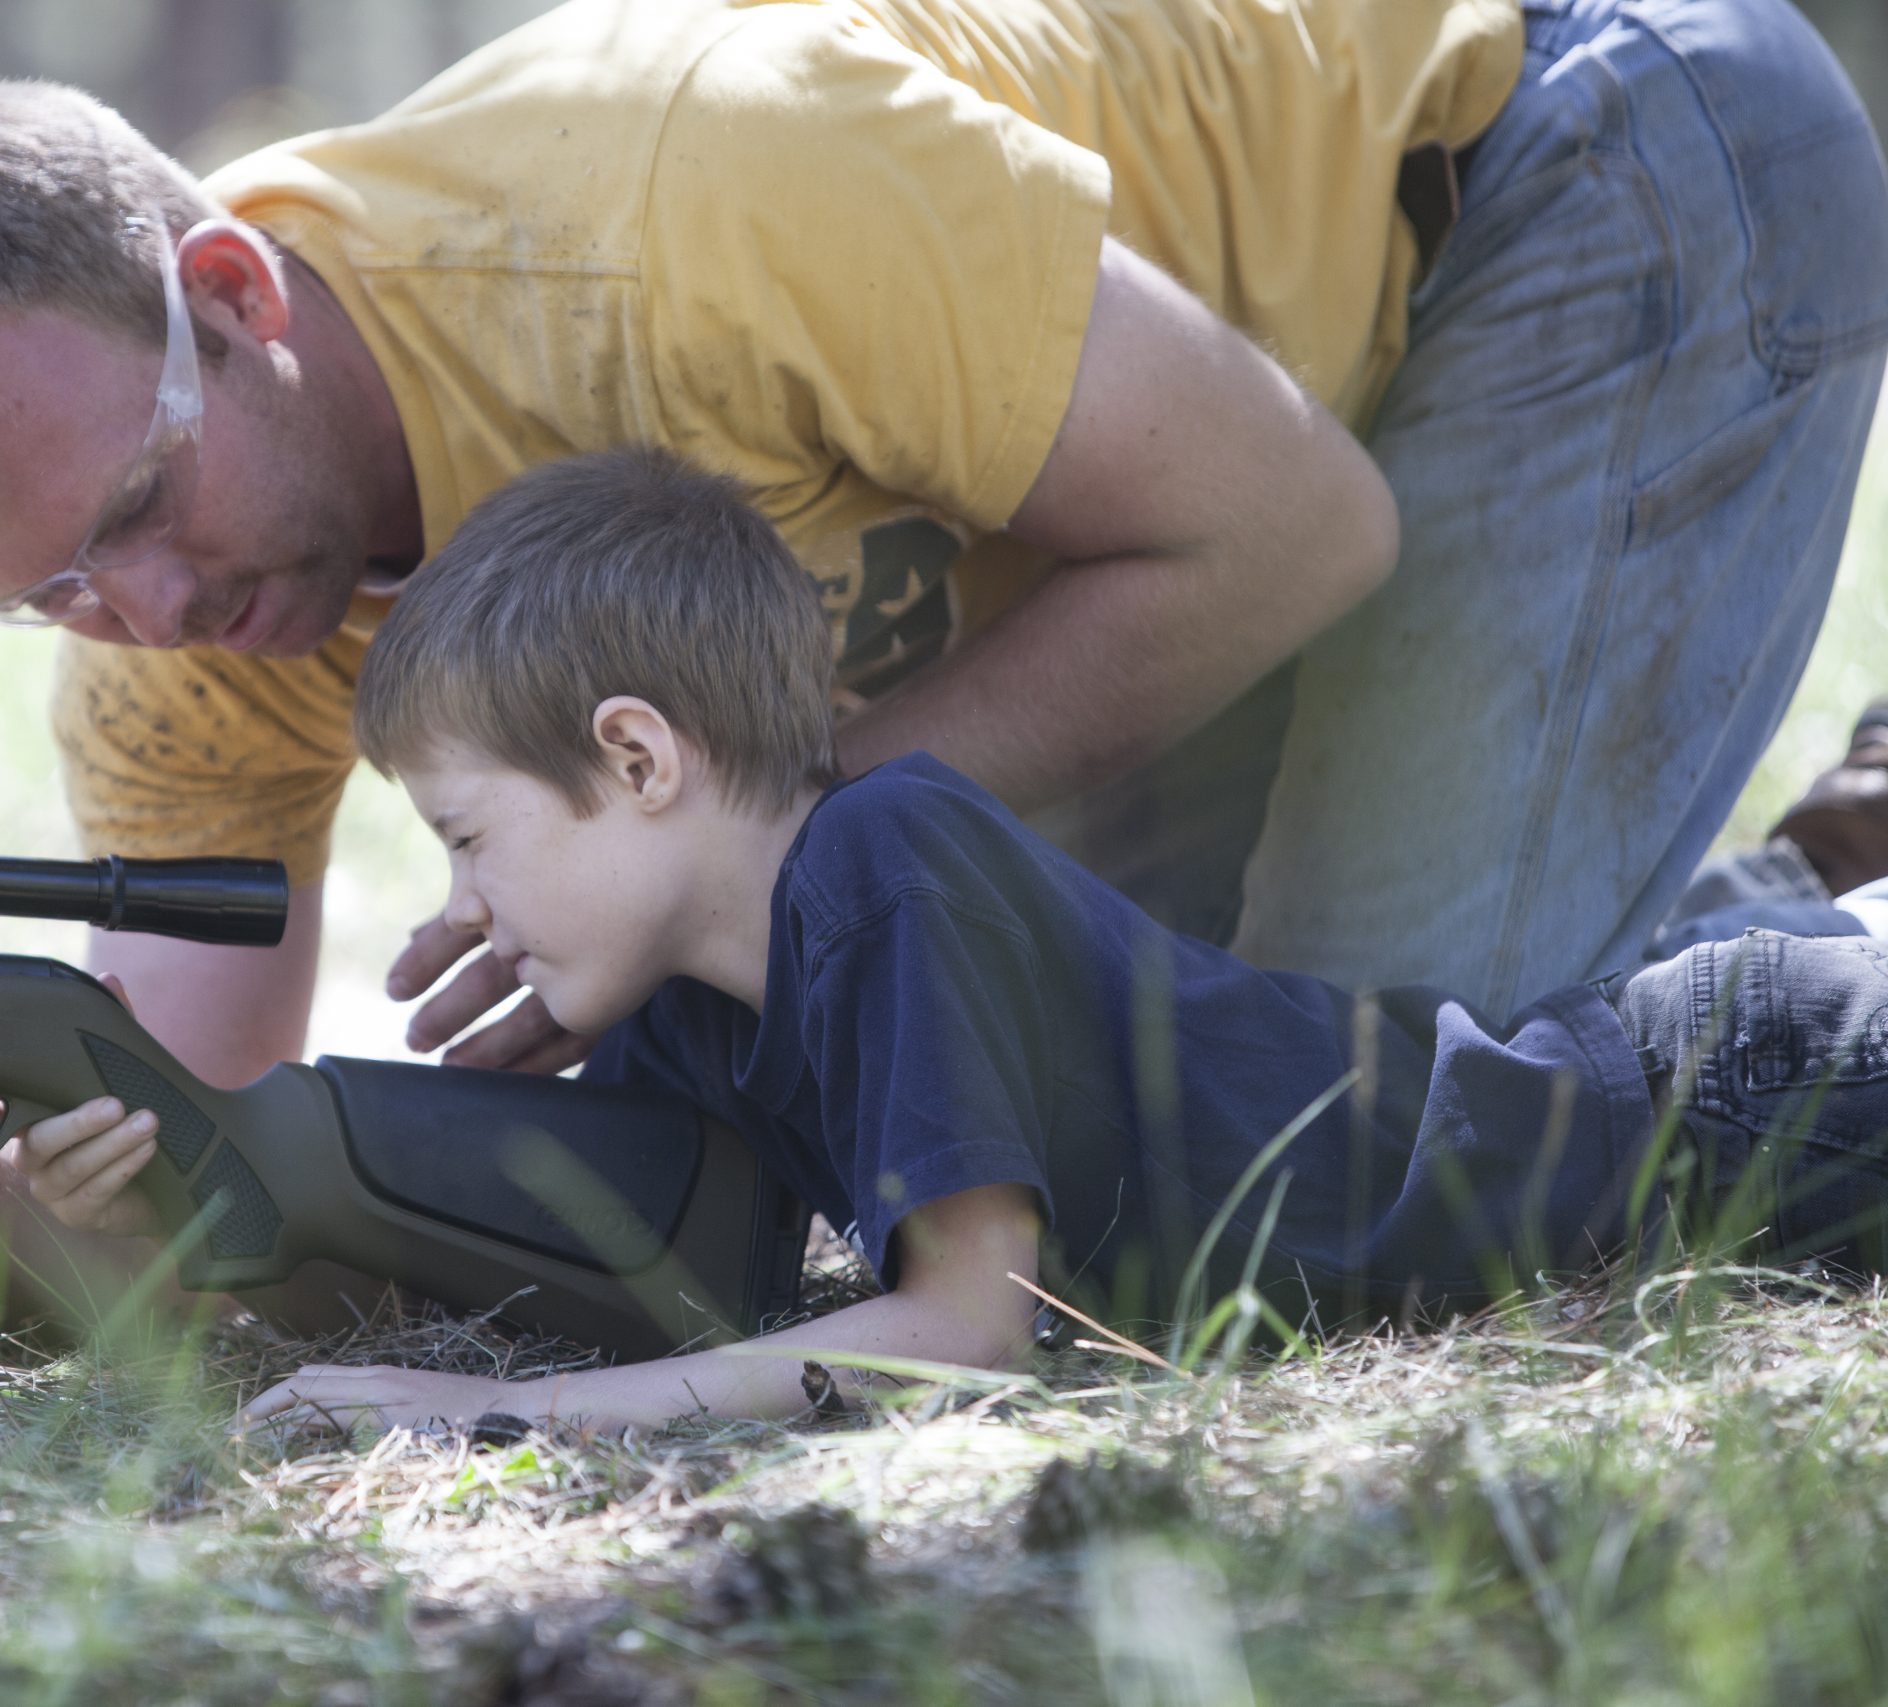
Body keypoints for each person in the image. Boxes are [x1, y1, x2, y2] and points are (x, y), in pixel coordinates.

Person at [0, 0, 1888, 1109]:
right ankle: (1785, 876)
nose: (138, 618)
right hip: (1239, 465)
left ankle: (1811, 925)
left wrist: (727, 864)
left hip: (1585, 148)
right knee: (1107, 1072)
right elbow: (179, 1149)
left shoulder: (677, 200)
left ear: (230, 291)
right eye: (28, 589)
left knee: (1322, 1134)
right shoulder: (162, 605)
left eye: (131, 514)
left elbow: (1296, 526)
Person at [198, 449, 1888, 1432]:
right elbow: (625, 1297)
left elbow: (967, 1330)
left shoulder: (882, 867)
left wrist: (496, 1418)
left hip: (1712, 1112)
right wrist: (175, 1199)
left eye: (467, 837)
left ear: (638, 760)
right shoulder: (690, 1011)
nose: (461, 907)